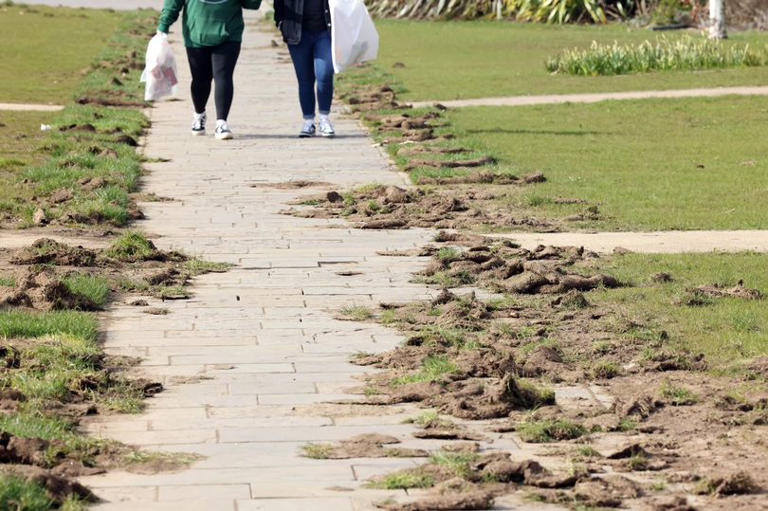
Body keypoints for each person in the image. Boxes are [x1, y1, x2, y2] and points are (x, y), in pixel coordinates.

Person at [157, 0, 261, 140]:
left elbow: (252, 4)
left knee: (223, 76)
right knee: (200, 79)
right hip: (196, 33)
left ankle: (221, 123)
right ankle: (199, 115)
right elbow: (173, 2)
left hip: (229, 33)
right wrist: (163, 25)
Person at [275, 0, 336, 138]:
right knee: (305, 79)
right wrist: (280, 23)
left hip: (325, 32)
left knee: (325, 73)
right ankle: (308, 122)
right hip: (297, 34)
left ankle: (324, 119)